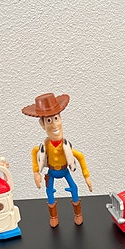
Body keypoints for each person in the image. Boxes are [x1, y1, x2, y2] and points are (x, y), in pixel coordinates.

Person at [22, 93, 92, 227]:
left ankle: (78, 214)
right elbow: (34, 152)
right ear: (42, 124)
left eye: (56, 119)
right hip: (52, 172)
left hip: (65, 171)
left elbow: (80, 156)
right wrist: (36, 172)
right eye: (49, 121)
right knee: (49, 191)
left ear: (60, 119)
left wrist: (86, 176)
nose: (54, 125)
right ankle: (53, 216)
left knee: (74, 188)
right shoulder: (45, 146)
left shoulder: (65, 146)